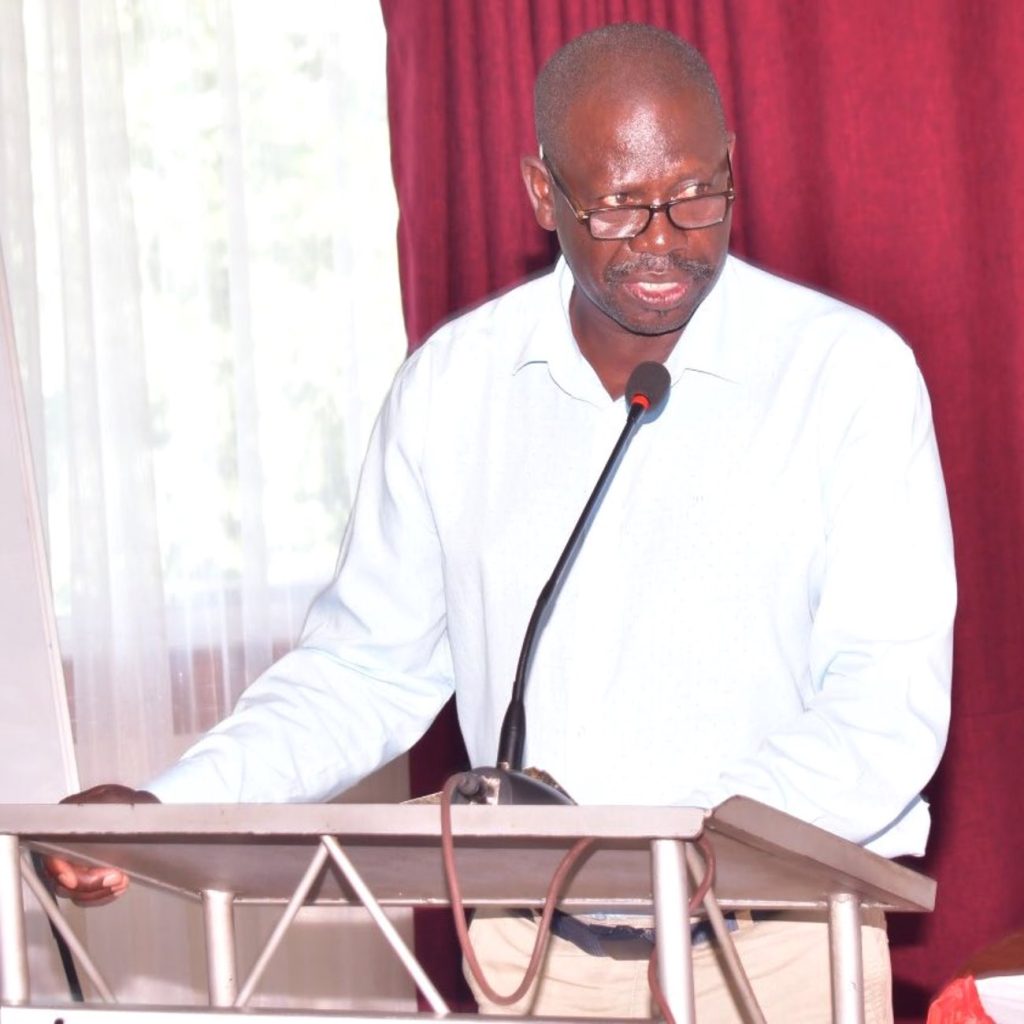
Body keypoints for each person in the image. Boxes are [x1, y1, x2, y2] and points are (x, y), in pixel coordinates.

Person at [46, 22, 955, 1022]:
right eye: (615, 204)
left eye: (697, 193)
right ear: (541, 194)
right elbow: (361, 672)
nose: (663, 239)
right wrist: (171, 806)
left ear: (733, 169)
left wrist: (687, 841)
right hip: (534, 955)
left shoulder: (846, 377)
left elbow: (883, 699)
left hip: (777, 944)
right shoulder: (453, 390)